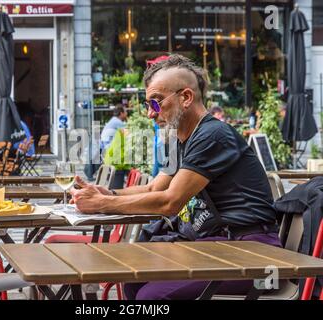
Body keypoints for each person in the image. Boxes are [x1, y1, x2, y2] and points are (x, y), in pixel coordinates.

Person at [70, 54, 280, 300]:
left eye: (156, 103)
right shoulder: (179, 139)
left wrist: (103, 204)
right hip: (215, 243)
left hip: (251, 250)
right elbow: (153, 189)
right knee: (132, 281)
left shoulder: (212, 135)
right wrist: (109, 193)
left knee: (151, 297)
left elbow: (170, 202)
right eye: (148, 104)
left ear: (186, 98)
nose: (150, 113)